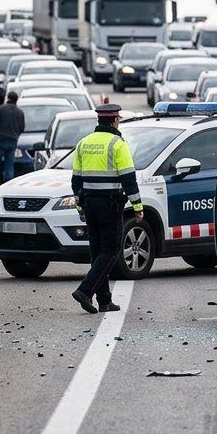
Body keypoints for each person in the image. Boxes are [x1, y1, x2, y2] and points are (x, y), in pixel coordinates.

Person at [70, 103, 142, 314]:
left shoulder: (83, 143)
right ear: (115, 120)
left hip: (89, 204)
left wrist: (79, 205)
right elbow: (129, 179)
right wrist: (138, 207)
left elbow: (76, 180)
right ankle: (85, 290)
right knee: (111, 251)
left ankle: (104, 300)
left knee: (97, 251)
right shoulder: (117, 144)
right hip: (109, 205)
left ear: (99, 120)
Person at [0, 91, 24, 193]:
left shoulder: (1, 109)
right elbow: (22, 127)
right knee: (9, 166)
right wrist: (16, 135)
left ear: (8, 98)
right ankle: (8, 190)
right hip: (12, 141)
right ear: (16, 100)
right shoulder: (19, 112)